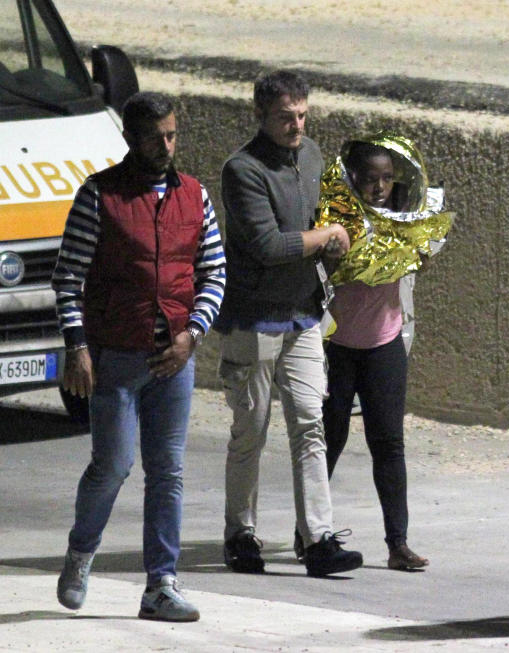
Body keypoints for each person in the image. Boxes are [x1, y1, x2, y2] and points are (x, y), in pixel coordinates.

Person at [52, 92, 225, 621]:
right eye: (156, 137)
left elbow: (214, 273)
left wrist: (191, 335)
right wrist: (78, 348)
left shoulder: (194, 196)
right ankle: (81, 555)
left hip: (173, 359)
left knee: (168, 472)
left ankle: (161, 585)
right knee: (112, 466)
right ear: (130, 137)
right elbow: (67, 278)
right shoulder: (99, 195)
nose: (166, 145)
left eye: (172, 135)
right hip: (116, 358)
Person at [215, 70, 361, 578]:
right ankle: (241, 534)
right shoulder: (243, 169)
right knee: (250, 430)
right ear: (261, 116)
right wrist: (325, 237)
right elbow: (266, 245)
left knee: (310, 423)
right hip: (253, 318)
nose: (296, 126)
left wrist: (341, 239)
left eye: (302, 115)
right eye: (285, 118)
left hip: (303, 314)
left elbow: (329, 214)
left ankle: (318, 537)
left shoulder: (314, 155)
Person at [314, 137, 440, 571]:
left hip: (384, 344)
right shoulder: (334, 218)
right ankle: (310, 534)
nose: (380, 187)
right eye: (370, 179)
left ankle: (398, 543)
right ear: (352, 180)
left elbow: (423, 253)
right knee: (328, 440)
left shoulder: (405, 220)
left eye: (387, 178)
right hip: (337, 346)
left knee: (388, 443)